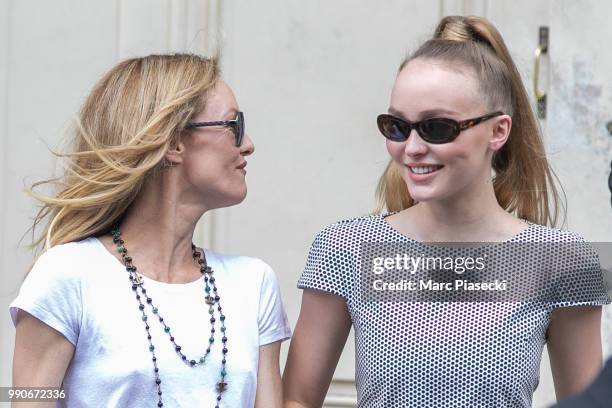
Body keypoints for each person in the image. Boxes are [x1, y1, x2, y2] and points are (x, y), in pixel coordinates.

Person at [283, 15, 611, 408]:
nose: (413, 147)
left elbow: (589, 403)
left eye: (437, 128)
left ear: (498, 131)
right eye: (397, 127)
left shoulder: (563, 259)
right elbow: (296, 401)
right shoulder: (347, 247)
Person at [10, 53, 291, 408]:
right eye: (233, 125)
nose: (247, 143)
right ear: (173, 143)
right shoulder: (66, 275)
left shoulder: (254, 283)